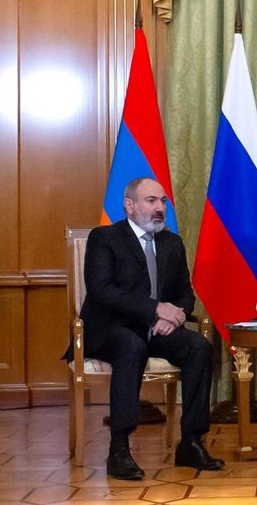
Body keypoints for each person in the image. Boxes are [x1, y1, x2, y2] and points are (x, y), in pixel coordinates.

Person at [74, 177, 223, 480]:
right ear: (129, 206)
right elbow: (102, 290)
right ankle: (119, 450)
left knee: (198, 347)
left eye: (163, 201)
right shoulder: (106, 238)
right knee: (132, 346)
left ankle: (191, 442)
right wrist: (155, 309)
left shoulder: (171, 243)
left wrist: (173, 317)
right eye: (151, 201)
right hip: (110, 328)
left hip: (157, 329)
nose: (159, 208)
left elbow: (184, 294)